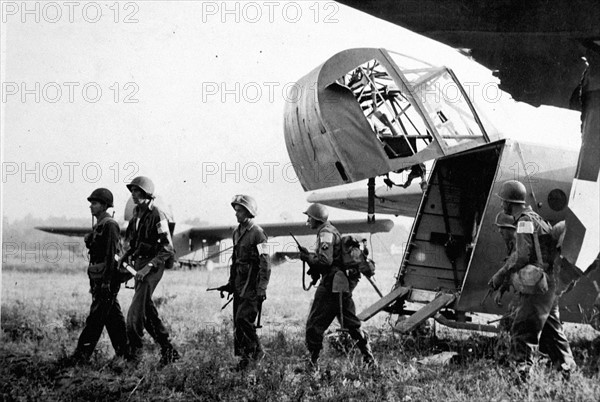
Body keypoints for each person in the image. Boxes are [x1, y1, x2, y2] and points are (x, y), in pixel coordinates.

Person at [491, 180, 575, 379]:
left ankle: (522, 375)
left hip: (537, 286)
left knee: (523, 330)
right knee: (554, 334)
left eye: (503, 201)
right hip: (549, 283)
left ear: (510, 202)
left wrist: (501, 274)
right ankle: (567, 371)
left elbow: (522, 255)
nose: (502, 205)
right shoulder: (536, 218)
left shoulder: (523, 221)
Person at [299, 203, 375, 370]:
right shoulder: (331, 230)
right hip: (340, 285)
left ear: (316, 218)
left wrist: (308, 258)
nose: (308, 220)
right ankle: (369, 359)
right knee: (352, 324)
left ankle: (312, 364)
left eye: (309, 217)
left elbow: (326, 260)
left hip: (331, 285)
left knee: (314, 324)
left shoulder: (325, 233)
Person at [119, 176, 180, 366]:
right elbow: (134, 242)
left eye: (137, 192)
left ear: (147, 194)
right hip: (139, 267)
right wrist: (125, 255)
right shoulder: (136, 214)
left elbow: (168, 249)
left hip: (153, 267)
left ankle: (135, 356)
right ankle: (168, 350)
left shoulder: (157, 216)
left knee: (134, 315)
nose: (133, 195)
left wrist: (147, 268)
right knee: (147, 312)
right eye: (132, 192)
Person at [70, 188, 128, 363]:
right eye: (91, 203)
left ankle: (80, 357)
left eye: (94, 203)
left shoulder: (110, 225)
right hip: (99, 279)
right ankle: (126, 354)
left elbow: (111, 256)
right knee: (113, 319)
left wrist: (107, 282)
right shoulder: (100, 226)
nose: (91, 207)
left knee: (95, 318)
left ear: (104, 206)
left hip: (106, 280)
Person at [217, 195, 271, 370]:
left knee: (243, 319)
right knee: (238, 323)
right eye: (236, 210)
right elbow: (235, 260)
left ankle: (257, 353)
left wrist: (262, 287)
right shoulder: (237, 232)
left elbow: (266, 264)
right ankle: (245, 360)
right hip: (240, 284)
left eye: (239, 211)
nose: (236, 214)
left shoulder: (258, 233)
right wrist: (230, 283)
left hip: (252, 284)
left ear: (249, 212)